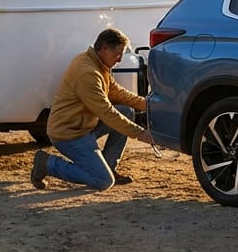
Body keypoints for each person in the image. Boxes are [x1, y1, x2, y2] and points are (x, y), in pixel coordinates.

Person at [30, 27, 153, 191]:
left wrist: (149, 104)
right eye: (118, 54)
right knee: (103, 181)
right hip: (69, 134)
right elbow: (106, 112)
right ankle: (48, 164)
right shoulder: (88, 73)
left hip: (83, 128)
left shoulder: (98, 64)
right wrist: (140, 133)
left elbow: (116, 92)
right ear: (104, 49)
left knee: (126, 111)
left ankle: (108, 167)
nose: (119, 59)